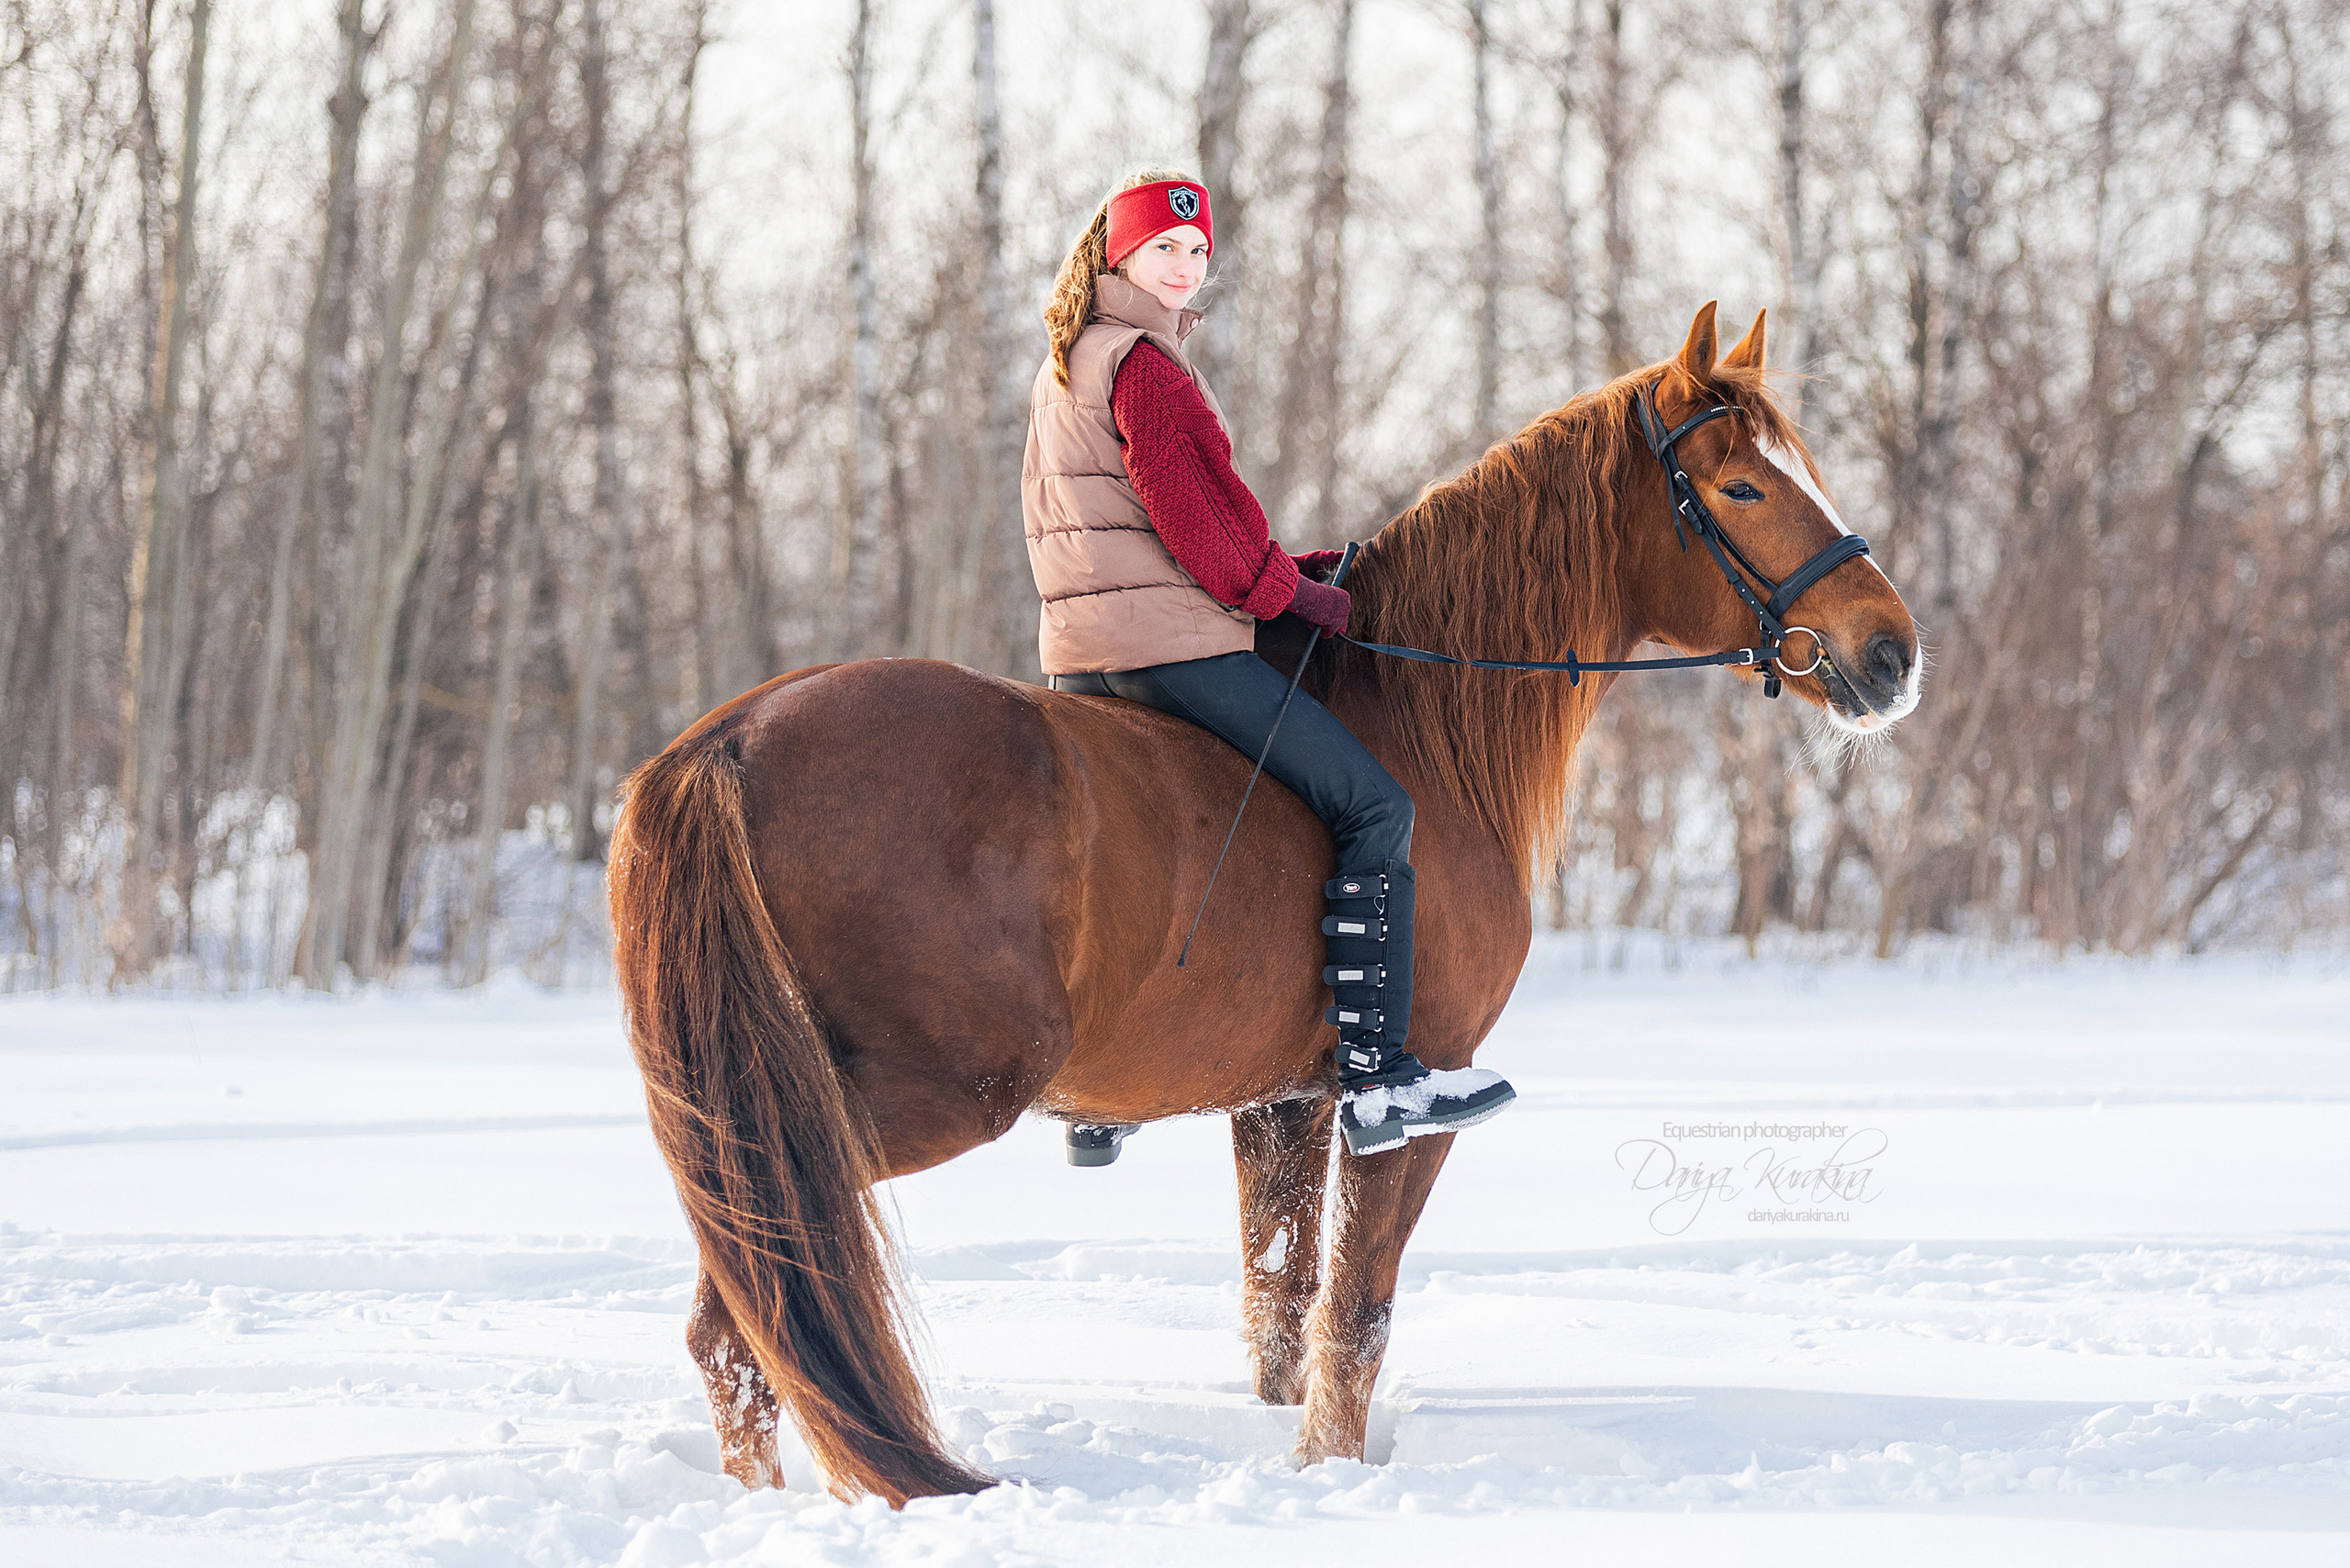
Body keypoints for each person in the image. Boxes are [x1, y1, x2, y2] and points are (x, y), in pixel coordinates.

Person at [1021, 169, 1515, 1160]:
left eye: (1198, 252)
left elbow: (1138, 524)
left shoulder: (1071, 358)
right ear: (1120, 255)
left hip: (1082, 651)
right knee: (1375, 807)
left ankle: (1103, 1092)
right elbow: (1193, 529)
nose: (1185, 264)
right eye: (1166, 247)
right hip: (1167, 648)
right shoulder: (1149, 369)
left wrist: (1282, 564)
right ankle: (1375, 1076)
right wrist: (1294, 597)